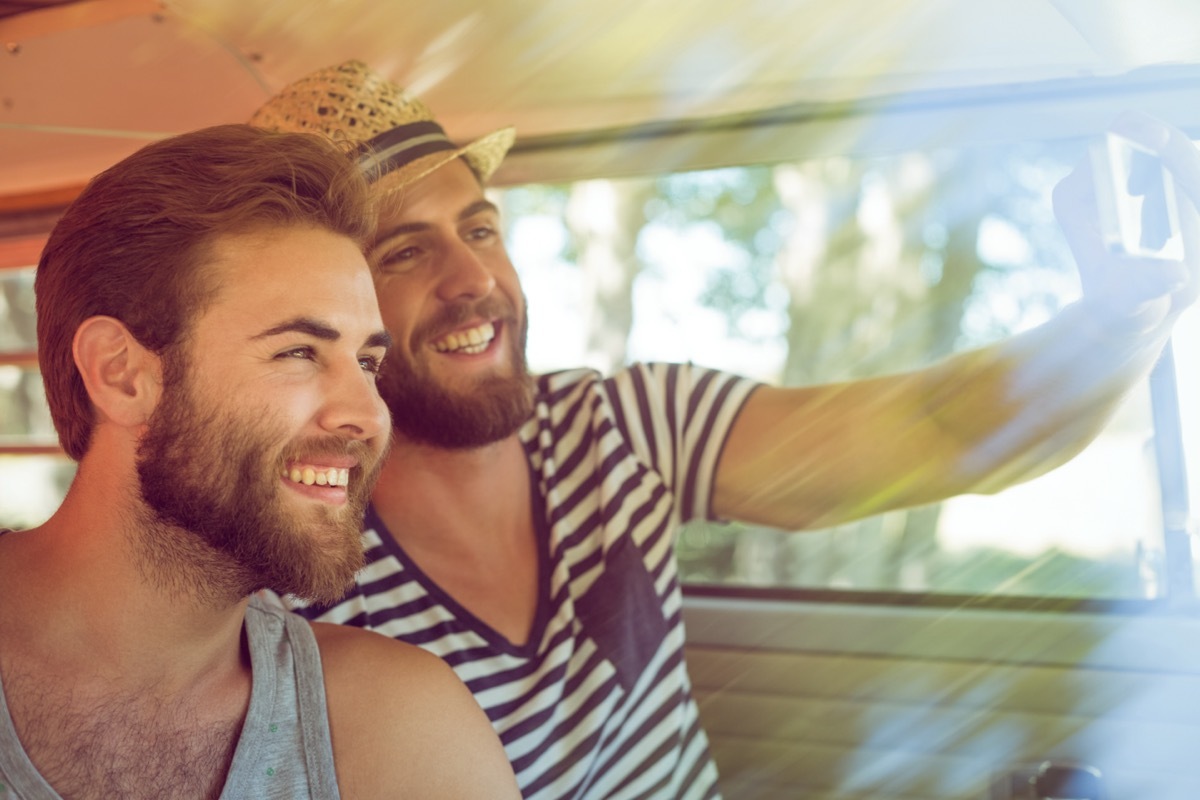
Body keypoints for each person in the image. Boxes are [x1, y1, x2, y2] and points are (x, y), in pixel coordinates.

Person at [250, 61, 1200, 799]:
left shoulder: (627, 425)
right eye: (406, 250)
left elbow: (945, 429)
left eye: (482, 227)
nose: (474, 280)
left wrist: (1122, 317)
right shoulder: (300, 582)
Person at [0, 124, 520, 799]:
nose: (367, 415)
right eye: (300, 352)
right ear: (122, 374)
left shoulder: (399, 727)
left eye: (367, 362)